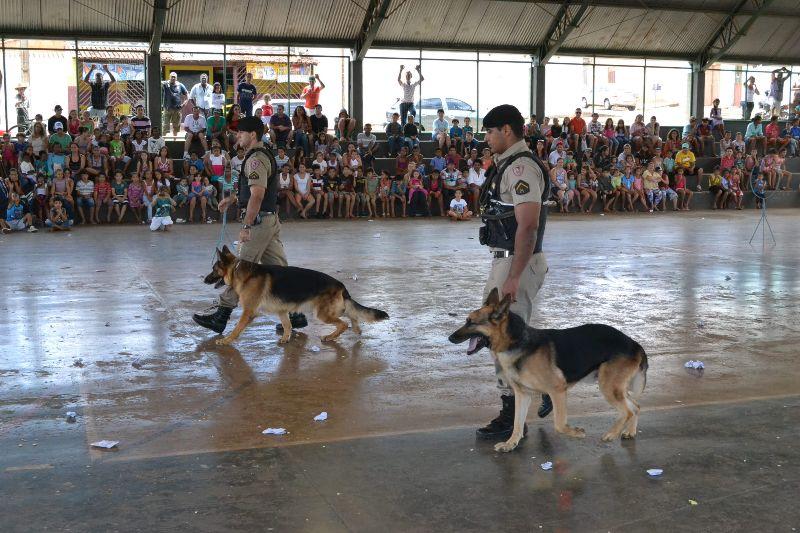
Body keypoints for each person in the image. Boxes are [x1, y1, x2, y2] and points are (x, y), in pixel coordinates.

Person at [473, 104, 551, 441]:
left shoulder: (520, 167)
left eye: (490, 132)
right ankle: (542, 385)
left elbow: (528, 225)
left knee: (503, 340)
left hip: (517, 261)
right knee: (504, 337)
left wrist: (514, 276)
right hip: (506, 259)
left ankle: (512, 415)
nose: (487, 139)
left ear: (507, 130)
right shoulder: (508, 165)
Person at [193, 116, 307, 336]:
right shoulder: (263, 155)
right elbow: (254, 190)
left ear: (252, 135)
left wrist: (246, 226)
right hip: (269, 220)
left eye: (240, 133)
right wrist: (233, 198)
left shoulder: (255, 159)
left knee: (239, 270)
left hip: (258, 223)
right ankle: (295, 314)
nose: (237, 137)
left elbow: (257, 195)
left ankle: (221, 316)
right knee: (280, 271)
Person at [162, 72, 188, 136]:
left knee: (176, 127)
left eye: (174, 77)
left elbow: (187, 95)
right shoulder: (165, 84)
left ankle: (175, 140)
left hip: (177, 109)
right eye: (172, 76)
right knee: (165, 126)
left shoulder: (180, 85)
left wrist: (184, 104)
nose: (173, 78)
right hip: (167, 109)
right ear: (169, 77)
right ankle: (163, 142)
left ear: (176, 78)